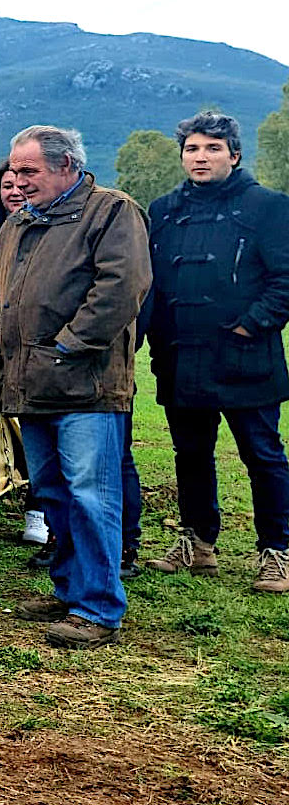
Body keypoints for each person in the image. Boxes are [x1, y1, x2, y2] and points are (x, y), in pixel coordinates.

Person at [0, 125, 151, 650]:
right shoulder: (16, 226)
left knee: (91, 495)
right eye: (14, 170)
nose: (18, 180)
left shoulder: (111, 211)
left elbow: (122, 287)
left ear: (66, 166)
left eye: (29, 170)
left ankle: (98, 607)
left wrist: (67, 346)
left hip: (87, 389)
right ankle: (71, 589)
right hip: (29, 387)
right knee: (53, 491)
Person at [142, 112, 289, 593]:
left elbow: (285, 279)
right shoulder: (162, 210)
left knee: (263, 456)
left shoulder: (268, 206)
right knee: (190, 454)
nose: (200, 157)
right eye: (192, 149)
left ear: (234, 154)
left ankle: (277, 554)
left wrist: (252, 325)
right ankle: (198, 543)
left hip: (246, 357)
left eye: (212, 148)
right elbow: (149, 284)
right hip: (181, 356)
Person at [0, 159, 50, 549]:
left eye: (22, 182)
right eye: (7, 184)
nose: (15, 190)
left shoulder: (53, 228)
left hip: (35, 349)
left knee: (36, 428)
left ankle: (38, 510)